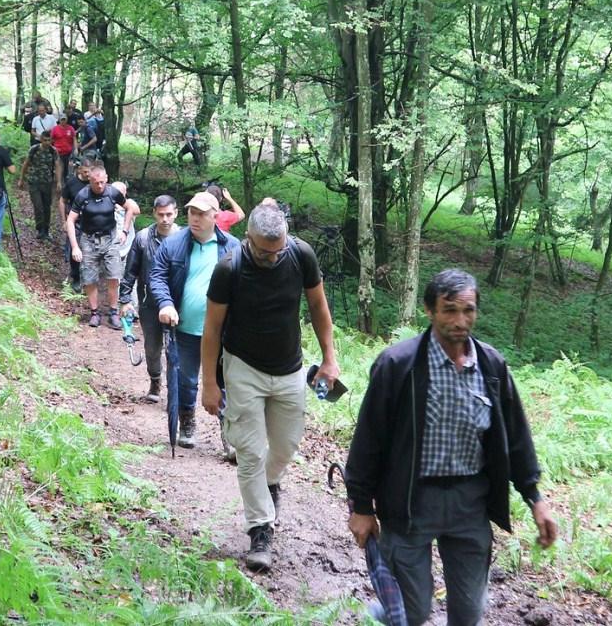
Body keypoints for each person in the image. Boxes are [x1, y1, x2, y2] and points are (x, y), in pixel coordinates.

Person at [344, 268, 556, 624]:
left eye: (468, 310)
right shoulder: (399, 365)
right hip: (411, 502)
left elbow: (516, 438)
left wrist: (535, 498)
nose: (460, 321)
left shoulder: (491, 366)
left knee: (469, 612)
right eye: (450, 310)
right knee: (412, 611)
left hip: (469, 504)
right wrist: (361, 506)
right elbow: (369, 439)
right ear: (430, 310)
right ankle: (381, 614)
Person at [200, 200, 340, 572]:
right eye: (264, 251)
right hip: (243, 366)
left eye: (277, 251)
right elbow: (212, 329)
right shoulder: (229, 268)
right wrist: (209, 384)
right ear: (249, 239)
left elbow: (318, 308)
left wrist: (329, 358)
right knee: (249, 451)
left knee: (285, 445)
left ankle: (271, 484)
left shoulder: (300, 256)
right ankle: (260, 530)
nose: (272, 258)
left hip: (290, 367)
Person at [148, 191, 241, 450]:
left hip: (223, 332)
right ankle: (187, 422)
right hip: (185, 328)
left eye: (201, 214)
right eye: (192, 212)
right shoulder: (173, 244)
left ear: (215, 216)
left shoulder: (232, 247)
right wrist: (166, 304)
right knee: (186, 379)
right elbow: (156, 275)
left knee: (225, 381)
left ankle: (229, 434)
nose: (195, 218)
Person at [119, 195, 180, 403]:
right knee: (152, 348)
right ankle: (155, 381)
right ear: (154, 213)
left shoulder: (184, 238)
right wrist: (125, 300)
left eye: (169, 214)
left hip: (179, 303)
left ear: (176, 213)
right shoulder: (143, 238)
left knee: (177, 350)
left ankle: (175, 391)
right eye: (161, 214)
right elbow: (130, 271)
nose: (165, 219)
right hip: (148, 302)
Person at [67, 163, 137, 329]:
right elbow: (70, 220)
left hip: (110, 238)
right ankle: (94, 313)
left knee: (114, 275)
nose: (99, 186)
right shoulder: (82, 195)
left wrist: (125, 231)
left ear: (106, 180)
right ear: (89, 181)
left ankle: (113, 312)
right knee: (90, 277)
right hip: (88, 239)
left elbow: (130, 208)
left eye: (102, 182)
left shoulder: (113, 192)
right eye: (95, 182)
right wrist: (75, 246)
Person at [58, 158, 91, 293]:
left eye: (90, 172)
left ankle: (87, 278)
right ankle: (75, 277)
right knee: (74, 250)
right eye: (85, 172)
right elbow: (62, 201)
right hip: (75, 222)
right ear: (79, 169)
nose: (88, 175)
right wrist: (64, 221)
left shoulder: (93, 183)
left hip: (90, 222)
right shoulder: (71, 183)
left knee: (89, 251)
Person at [19, 130, 57, 240]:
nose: (47, 142)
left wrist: (58, 181)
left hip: (47, 183)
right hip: (34, 182)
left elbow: (58, 165)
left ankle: (46, 230)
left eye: (49, 140)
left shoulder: (53, 151)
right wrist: (21, 179)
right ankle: (40, 229)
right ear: (41, 140)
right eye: (45, 140)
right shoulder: (34, 149)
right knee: (38, 206)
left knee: (47, 207)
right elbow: (26, 164)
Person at [110, 182, 140, 262]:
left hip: (127, 245)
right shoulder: (107, 203)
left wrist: (121, 206)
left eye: (119, 192)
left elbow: (137, 211)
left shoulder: (130, 203)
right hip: (110, 246)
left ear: (125, 192)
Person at [50, 114, 76, 187]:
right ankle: (59, 183)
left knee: (67, 169)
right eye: (62, 119)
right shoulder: (55, 129)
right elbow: (51, 140)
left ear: (66, 120)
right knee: (60, 167)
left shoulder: (70, 128)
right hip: (58, 152)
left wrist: (76, 149)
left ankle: (66, 183)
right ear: (59, 120)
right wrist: (52, 148)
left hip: (68, 152)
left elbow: (74, 139)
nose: (63, 121)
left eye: (64, 119)